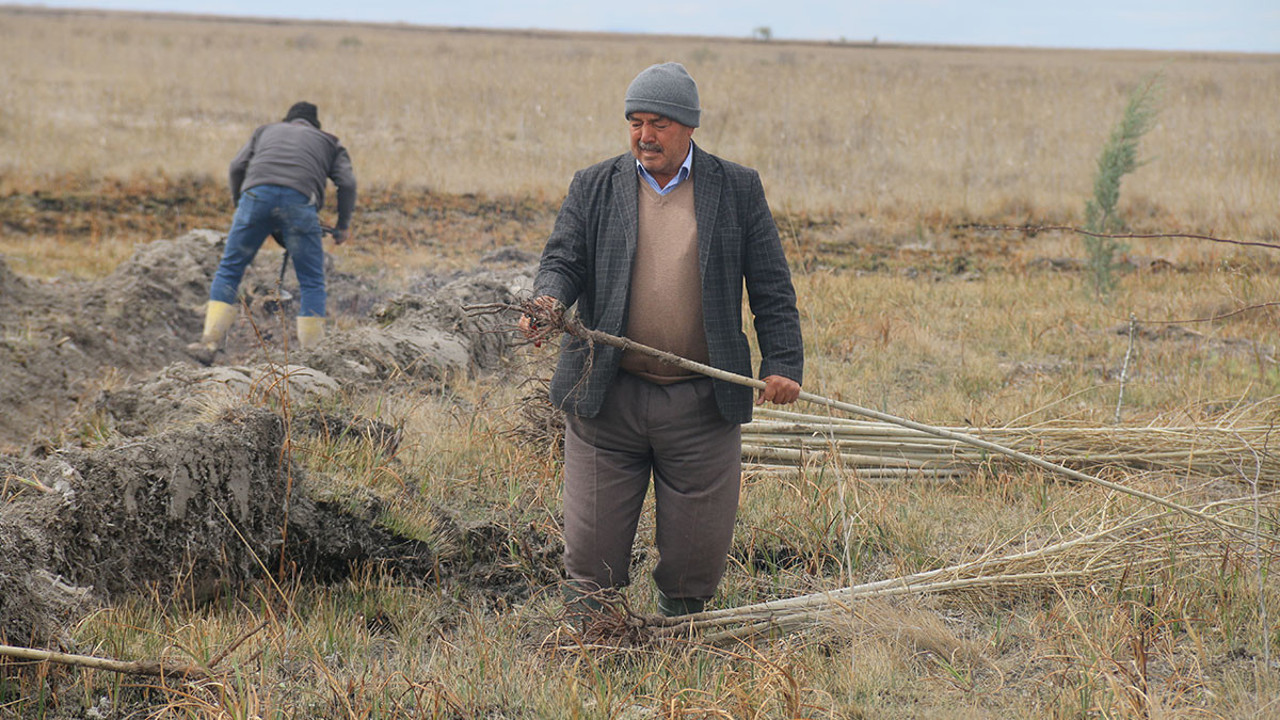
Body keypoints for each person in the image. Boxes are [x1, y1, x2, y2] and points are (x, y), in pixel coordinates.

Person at [521, 62, 804, 618]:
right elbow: (562, 259)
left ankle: (680, 639)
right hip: (607, 397)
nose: (644, 136)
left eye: (658, 124)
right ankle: (592, 642)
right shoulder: (595, 184)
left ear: (689, 127)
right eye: (634, 123)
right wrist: (547, 301)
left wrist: (784, 361)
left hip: (701, 402)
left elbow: (771, 286)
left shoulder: (737, 188)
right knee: (592, 551)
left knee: (696, 552)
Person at [187, 101, 357, 363]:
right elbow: (347, 183)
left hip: (255, 197)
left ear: (287, 121)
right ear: (315, 126)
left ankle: (208, 344)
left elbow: (236, 166)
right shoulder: (330, 142)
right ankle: (314, 358)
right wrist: (343, 225)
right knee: (311, 280)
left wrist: (241, 204)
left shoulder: (266, 131)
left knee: (230, 268)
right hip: (300, 204)